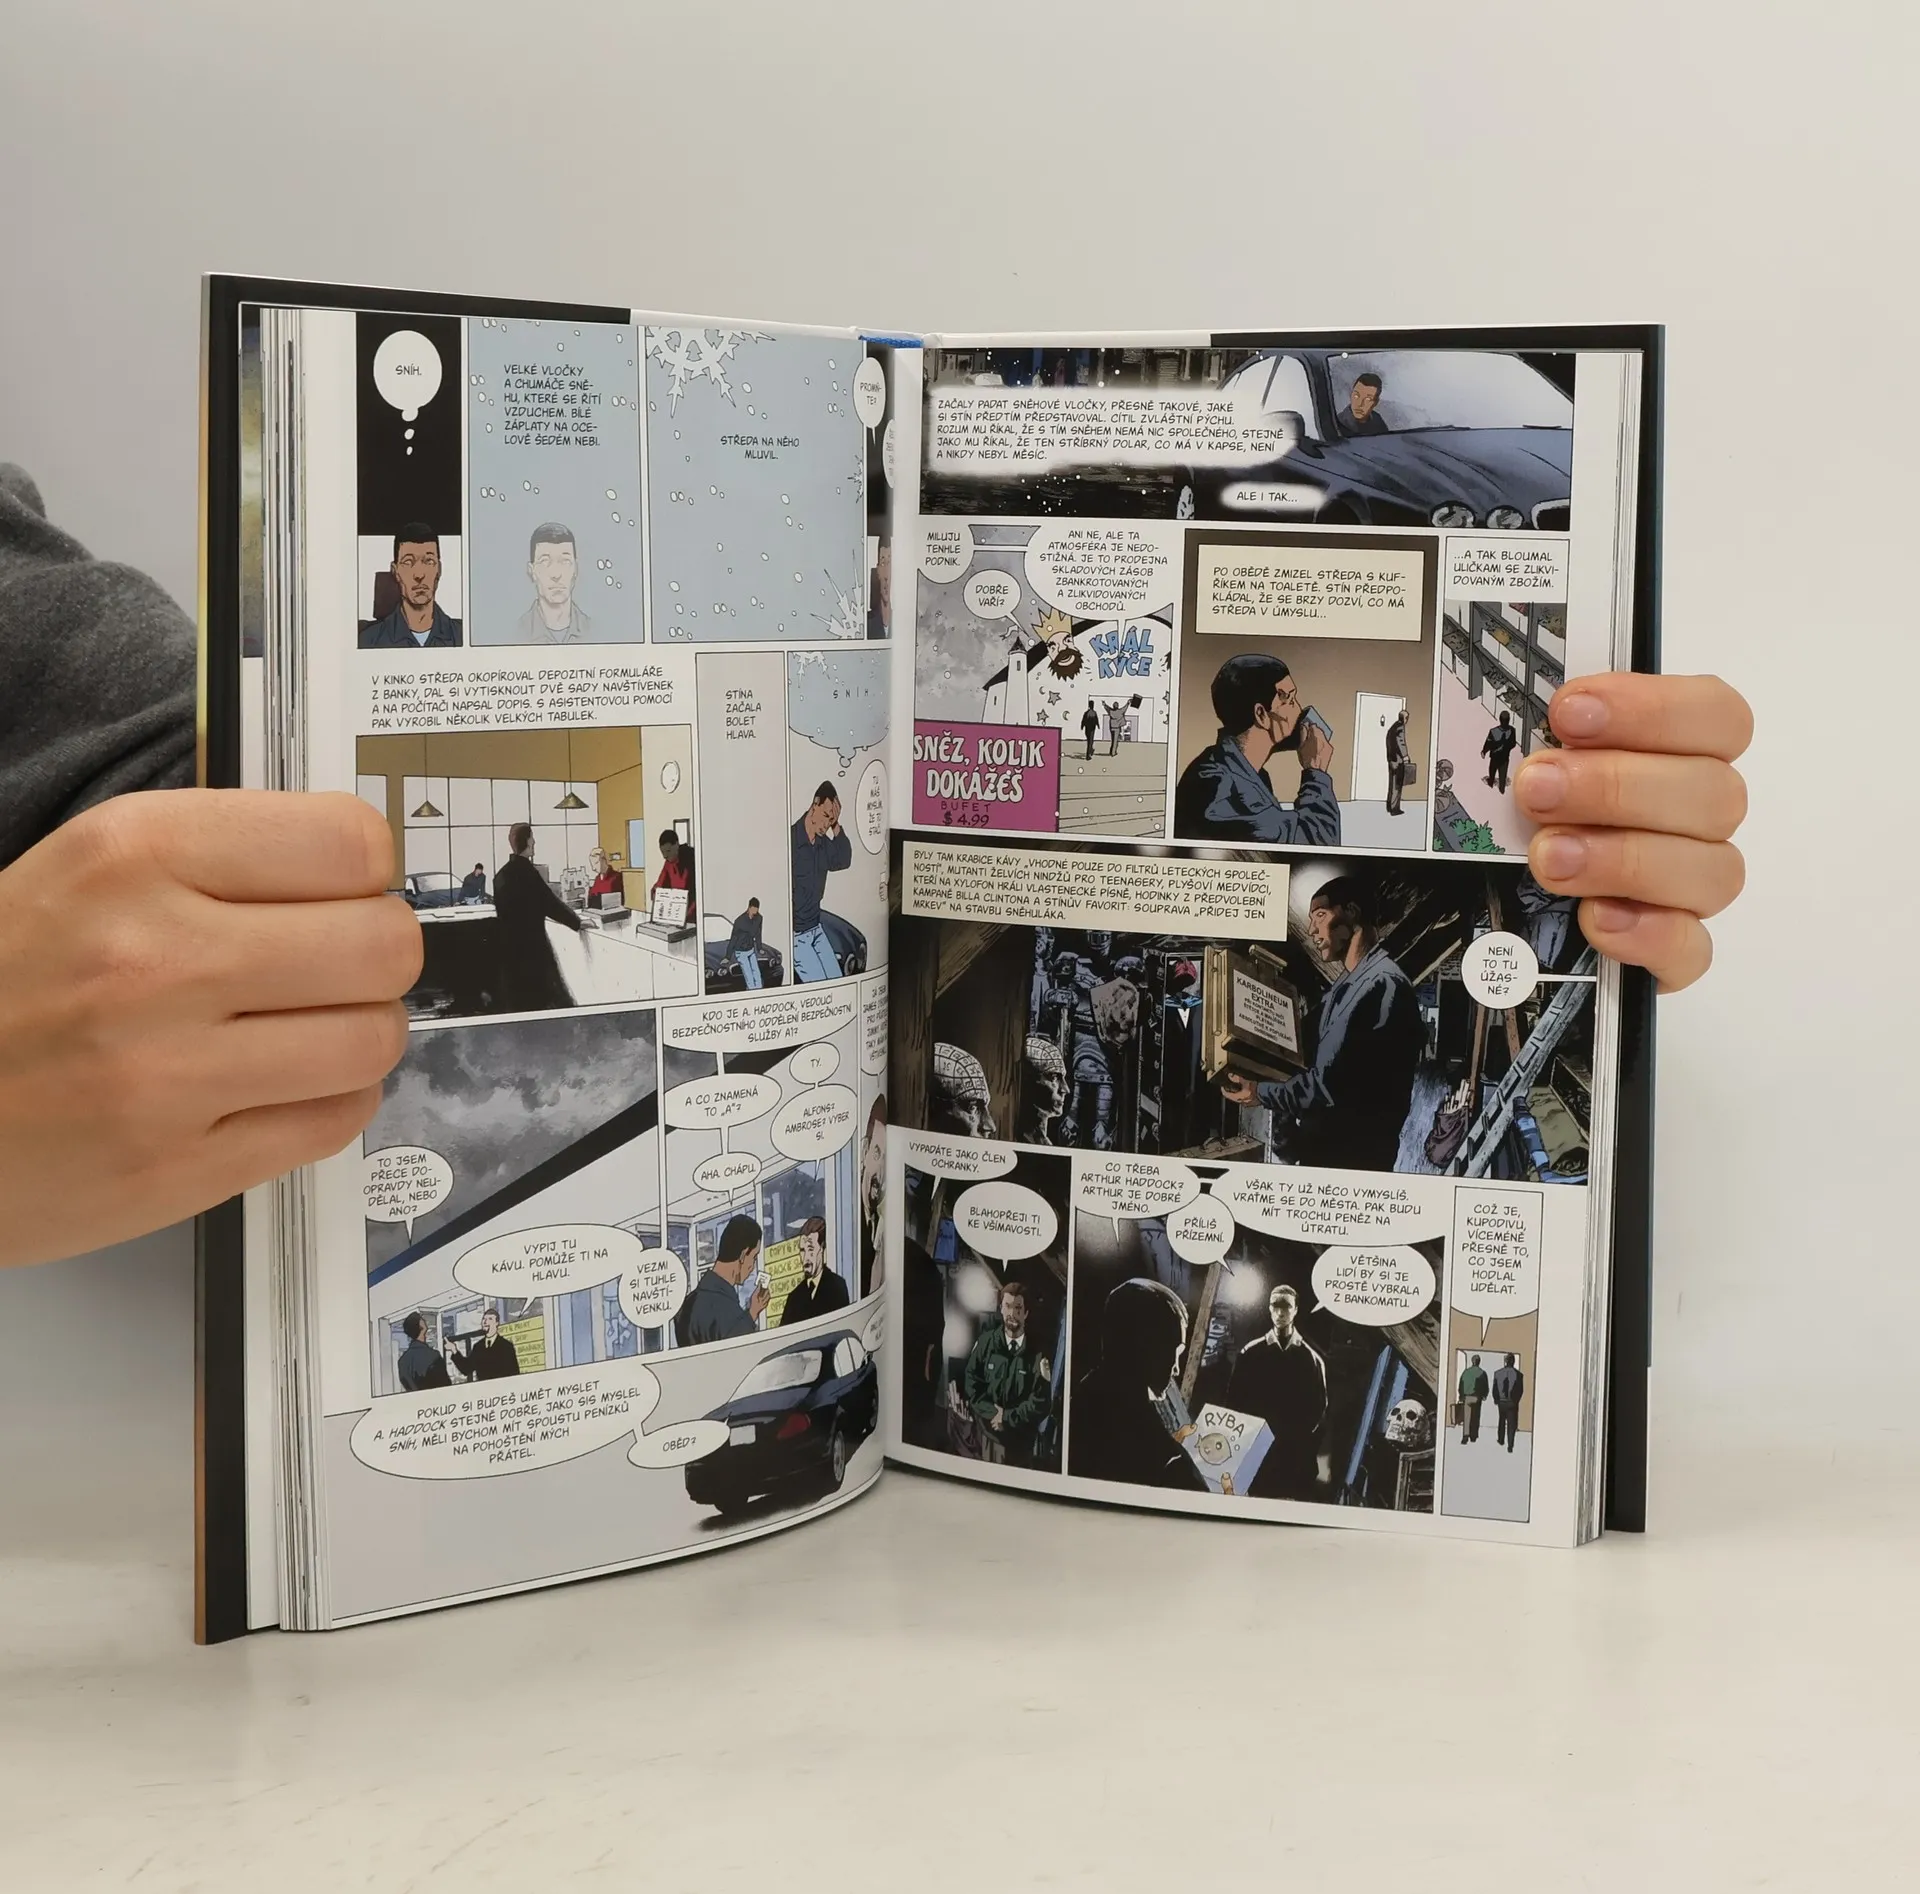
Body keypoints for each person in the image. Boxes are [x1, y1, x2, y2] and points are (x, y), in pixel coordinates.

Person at [0, 464, 1754, 1268]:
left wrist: (1561, 857)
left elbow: (111, 764)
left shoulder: (1257, 824)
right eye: (1288, 703)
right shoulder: (1246, 800)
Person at [1222, 875, 1425, 1170]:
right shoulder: (1347, 985)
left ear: (1352, 912)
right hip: (1326, 1152)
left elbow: (1329, 1087)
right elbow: (1302, 1047)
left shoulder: (1384, 985)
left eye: (1319, 915)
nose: (1311, 930)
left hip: (1354, 1162)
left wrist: (1259, 1092)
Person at [1172, 653, 1340, 844]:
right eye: (1290, 700)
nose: (1299, 709)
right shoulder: (1219, 786)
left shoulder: (1243, 772)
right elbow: (1319, 842)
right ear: (1261, 714)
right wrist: (1315, 772)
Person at [1068, 1279, 1206, 1492]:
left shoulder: (1086, 1395)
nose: (1176, 1369)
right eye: (1174, 1350)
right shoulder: (1144, 1433)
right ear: (1147, 1345)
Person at [1223, 1283, 1328, 1499]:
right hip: (1256, 1452)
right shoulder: (1250, 1354)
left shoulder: (1311, 1360)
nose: (1280, 1312)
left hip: (1292, 1456)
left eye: (1286, 1306)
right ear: (1269, 1309)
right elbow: (1234, 1402)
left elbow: (1317, 1410)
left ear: (1295, 1310)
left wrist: (1293, 1437)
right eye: (1275, 1306)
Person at [961, 1277, 1052, 1468]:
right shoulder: (986, 1343)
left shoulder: (1038, 1353)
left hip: (1020, 1448)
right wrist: (994, 1413)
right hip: (985, 1441)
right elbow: (972, 1383)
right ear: (1001, 1309)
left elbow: (1041, 1402)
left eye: (1018, 1308)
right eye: (1007, 1306)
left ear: (1026, 1313)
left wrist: (1007, 1417)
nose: (1012, 1313)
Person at [491, 823, 582, 1012]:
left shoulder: (500, 876)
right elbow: (550, 904)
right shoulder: (527, 873)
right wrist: (577, 923)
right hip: (533, 948)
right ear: (526, 841)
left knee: (516, 1003)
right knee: (544, 1001)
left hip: (509, 950)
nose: (534, 842)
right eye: (532, 837)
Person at [358, 523, 462, 648]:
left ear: (439, 570)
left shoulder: (461, 634)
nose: (419, 575)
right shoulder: (368, 640)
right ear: (395, 571)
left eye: (429, 561)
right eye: (408, 562)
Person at [790, 781, 853, 982]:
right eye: (825, 816)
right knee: (820, 988)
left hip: (816, 929)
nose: (826, 824)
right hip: (796, 936)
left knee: (837, 982)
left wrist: (836, 825)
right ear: (814, 804)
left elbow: (843, 860)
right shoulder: (790, 840)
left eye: (831, 820)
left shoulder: (823, 844)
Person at [678, 1216, 769, 1345]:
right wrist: (752, 1313)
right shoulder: (725, 1307)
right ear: (743, 1255)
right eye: (754, 1257)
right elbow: (737, 1348)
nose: (753, 1267)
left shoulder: (688, 1303)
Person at [517, 523, 592, 642]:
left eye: (565, 561)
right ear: (531, 571)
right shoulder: (517, 632)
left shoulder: (594, 631)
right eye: (545, 561)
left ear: (576, 569)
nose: (556, 575)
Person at [779, 1215, 849, 1325]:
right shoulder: (794, 1297)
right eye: (802, 1250)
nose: (806, 1257)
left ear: (822, 1249)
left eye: (810, 1249)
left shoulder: (837, 1287)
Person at [859, 1095, 887, 1298]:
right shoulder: (850, 1220)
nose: (880, 1171)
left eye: (886, 1158)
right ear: (864, 1152)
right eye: (877, 1154)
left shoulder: (880, 1223)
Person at [451, 1308, 521, 1381]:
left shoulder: (506, 1346)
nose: (485, 1322)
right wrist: (454, 1350)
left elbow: (514, 1374)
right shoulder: (478, 1347)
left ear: (497, 1323)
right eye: (484, 1319)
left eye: (490, 1319)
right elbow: (466, 1369)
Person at [396, 1311, 451, 1391]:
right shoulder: (433, 1356)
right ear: (423, 1328)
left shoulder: (402, 1361)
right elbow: (446, 1386)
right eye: (422, 1320)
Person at [651, 830, 694, 925]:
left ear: (676, 845)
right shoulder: (669, 862)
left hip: (691, 917)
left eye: (668, 851)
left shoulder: (692, 859)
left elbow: (696, 894)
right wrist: (655, 892)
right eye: (662, 852)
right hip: (675, 915)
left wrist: (685, 916)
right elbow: (660, 884)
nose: (665, 856)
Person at [1336, 371, 1389, 436]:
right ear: (1351, 395)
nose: (1360, 404)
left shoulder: (1377, 421)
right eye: (1356, 396)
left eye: (1368, 399)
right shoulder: (1338, 423)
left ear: (1376, 402)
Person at [1492, 1352, 1526, 1451]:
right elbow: (1520, 1390)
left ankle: (1501, 1440)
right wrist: (1516, 1401)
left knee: (1501, 1420)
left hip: (1501, 1402)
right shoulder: (1519, 1375)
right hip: (1512, 1402)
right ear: (1513, 1361)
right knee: (1512, 1424)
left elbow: (1495, 1389)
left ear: (1505, 1361)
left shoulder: (1497, 1373)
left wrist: (1496, 1399)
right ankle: (1510, 1445)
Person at [729, 897, 765, 991]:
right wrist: (727, 956)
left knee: (757, 974)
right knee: (749, 976)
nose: (755, 912)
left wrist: (759, 948)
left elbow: (758, 934)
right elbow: (733, 938)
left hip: (751, 950)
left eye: (757, 909)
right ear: (749, 907)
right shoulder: (739, 921)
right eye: (754, 909)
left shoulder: (759, 918)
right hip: (740, 952)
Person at [1385, 703, 1412, 817]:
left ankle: (1389, 806)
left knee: (1392, 784)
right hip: (1398, 761)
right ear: (1405, 718)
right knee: (1397, 785)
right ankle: (1394, 809)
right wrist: (1405, 756)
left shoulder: (1393, 728)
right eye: (1407, 718)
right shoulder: (1400, 728)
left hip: (1392, 760)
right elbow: (1401, 743)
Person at [1483, 709, 1519, 793]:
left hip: (1495, 757)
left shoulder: (1493, 731)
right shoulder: (1512, 730)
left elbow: (1488, 743)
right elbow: (1513, 744)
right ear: (1509, 720)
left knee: (1492, 773)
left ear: (1500, 719)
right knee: (1502, 777)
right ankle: (1501, 790)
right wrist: (1506, 748)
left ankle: (1491, 785)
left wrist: (1484, 751)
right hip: (1504, 758)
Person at [1457, 1353, 1490, 1443]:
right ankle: (1473, 1436)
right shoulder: (1482, 1373)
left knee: (1467, 1417)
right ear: (1479, 1362)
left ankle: (1465, 1436)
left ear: (1472, 1361)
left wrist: (1461, 1396)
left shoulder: (1466, 1372)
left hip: (1467, 1397)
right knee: (1475, 1416)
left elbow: (1461, 1384)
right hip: (1477, 1397)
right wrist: (1484, 1395)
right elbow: (1485, 1386)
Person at [866, 537, 892, 639]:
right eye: (883, 563)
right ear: (877, 571)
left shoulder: (904, 622)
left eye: (889, 563)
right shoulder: (867, 624)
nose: (886, 576)